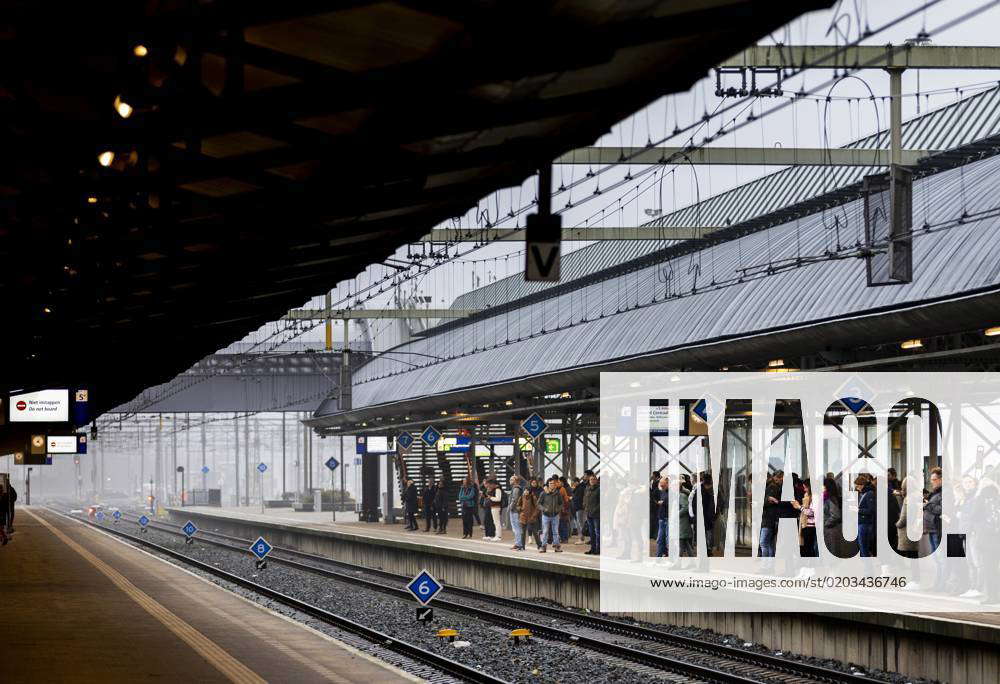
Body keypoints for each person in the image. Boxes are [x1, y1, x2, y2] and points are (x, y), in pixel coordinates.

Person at [923, 467, 945, 590]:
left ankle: (941, 584)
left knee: (940, 558)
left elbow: (942, 509)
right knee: (936, 559)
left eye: (934, 479)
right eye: (931, 479)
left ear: (941, 479)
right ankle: (937, 583)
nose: (932, 481)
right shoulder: (935, 493)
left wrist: (928, 505)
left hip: (937, 528)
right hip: (931, 529)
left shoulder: (943, 493)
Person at [689, 474, 717, 555]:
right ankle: (707, 551)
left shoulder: (699, 490)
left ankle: (706, 551)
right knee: (706, 536)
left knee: (704, 536)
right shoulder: (706, 491)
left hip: (703, 518)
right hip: (705, 518)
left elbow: (693, 505)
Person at [538, 477, 563, 552]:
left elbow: (561, 503)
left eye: (553, 483)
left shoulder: (558, 493)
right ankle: (543, 546)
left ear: (555, 485)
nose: (552, 485)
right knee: (545, 531)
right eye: (550, 483)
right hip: (545, 515)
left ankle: (557, 547)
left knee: (555, 531)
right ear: (548, 484)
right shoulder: (543, 493)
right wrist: (544, 509)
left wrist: (558, 510)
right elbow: (538, 504)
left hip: (555, 515)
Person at [822, 476, 844, 558]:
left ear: (827, 486)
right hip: (830, 529)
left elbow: (835, 515)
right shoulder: (827, 497)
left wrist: (825, 523)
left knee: (832, 551)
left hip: (831, 530)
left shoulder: (830, 498)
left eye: (823, 485)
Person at [519, 480, 542, 550]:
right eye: (524, 490)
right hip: (523, 517)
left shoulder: (533, 497)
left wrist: (534, 516)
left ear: (529, 491)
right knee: (522, 533)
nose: (525, 492)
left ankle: (539, 544)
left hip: (531, 518)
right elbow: (518, 505)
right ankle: (522, 546)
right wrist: (520, 509)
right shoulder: (522, 497)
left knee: (535, 532)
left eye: (527, 490)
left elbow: (537, 508)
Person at [583, 473, 600, 555]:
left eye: (593, 479)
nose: (592, 481)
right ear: (589, 481)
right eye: (591, 480)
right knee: (591, 533)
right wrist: (585, 506)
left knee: (597, 532)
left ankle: (598, 549)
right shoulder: (587, 488)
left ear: (596, 480)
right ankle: (592, 549)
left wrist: (595, 510)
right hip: (588, 514)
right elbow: (585, 498)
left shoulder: (599, 489)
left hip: (596, 515)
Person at [509, 475, 525, 550]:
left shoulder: (516, 489)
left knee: (516, 527)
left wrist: (510, 507)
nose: (510, 481)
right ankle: (518, 543)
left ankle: (518, 544)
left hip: (515, 511)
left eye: (511, 479)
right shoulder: (517, 488)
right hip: (516, 510)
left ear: (515, 481)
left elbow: (514, 499)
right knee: (517, 527)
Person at [571, 476, 588, 544]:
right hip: (578, 508)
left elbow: (579, 498)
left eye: (573, 483)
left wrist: (573, 498)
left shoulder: (580, 488)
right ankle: (581, 538)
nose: (573, 484)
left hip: (579, 508)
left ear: (577, 482)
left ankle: (582, 539)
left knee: (580, 524)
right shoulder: (579, 488)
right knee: (580, 523)